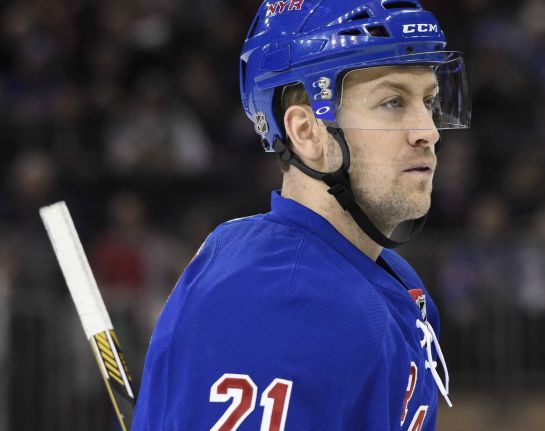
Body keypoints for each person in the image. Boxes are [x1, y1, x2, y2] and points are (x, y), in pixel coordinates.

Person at [132, 0, 471, 429]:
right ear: (306, 132)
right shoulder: (284, 294)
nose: (429, 131)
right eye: (392, 102)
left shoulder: (387, 276)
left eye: (429, 100)